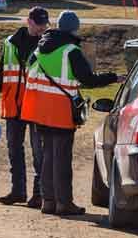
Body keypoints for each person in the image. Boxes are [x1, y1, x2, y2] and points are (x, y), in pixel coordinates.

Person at [21, 11, 120, 216]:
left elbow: (29, 74)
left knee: (47, 156)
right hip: (60, 111)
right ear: (75, 28)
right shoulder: (71, 51)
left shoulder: (40, 49)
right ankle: (64, 203)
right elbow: (88, 79)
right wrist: (114, 77)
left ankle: (48, 201)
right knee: (62, 158)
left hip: (40, 111)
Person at [0, 7, 49, 207]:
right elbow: (2, 68)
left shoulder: (47, 45)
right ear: (28, 21)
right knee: (14, 148)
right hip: (13, 105)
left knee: (38, 151)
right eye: (38, 23)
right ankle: (18, 191)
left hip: (35, 106)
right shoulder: (9, 43)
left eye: (44, 24)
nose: (42, 28)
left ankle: (38, 194)